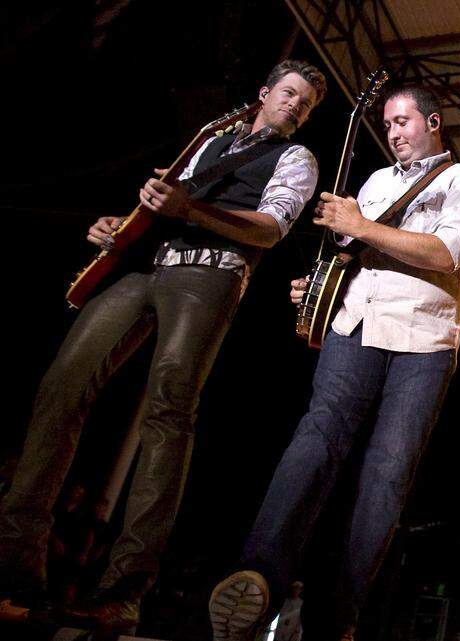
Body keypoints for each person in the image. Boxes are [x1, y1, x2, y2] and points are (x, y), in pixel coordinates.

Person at [0, 59, 326, 630]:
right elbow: (164, 207)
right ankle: (15, 572)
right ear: (264, 93)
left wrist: (188, 210)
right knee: (60, 392)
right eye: (290, 94)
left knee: (168, 414)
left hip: (211, 272)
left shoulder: (297, 158)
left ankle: (122, 593)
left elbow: (270, 229)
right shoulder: (210, 143)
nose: (295, 107)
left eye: (306, 104)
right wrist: (117, 226)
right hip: (144, 264)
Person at [208, 85, 460, 641]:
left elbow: (448, 253)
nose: (393, 133)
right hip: (354, 325)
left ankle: (339, 616)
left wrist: (360, 225)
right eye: (387, 125)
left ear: (432, 122)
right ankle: (258, 576)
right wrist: (318, 286)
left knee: (386, 473)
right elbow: (352, 256)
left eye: (403, 122)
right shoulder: (378, 182)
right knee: (314, 442)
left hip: (425, 340)